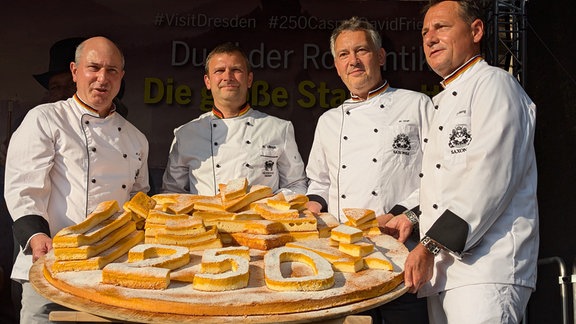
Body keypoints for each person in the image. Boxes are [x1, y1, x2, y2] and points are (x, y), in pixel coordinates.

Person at [384, 1, 539, 323]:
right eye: (425, 32)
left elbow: (489, 178)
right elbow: (440, 185)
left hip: (487, 268)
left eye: (441, 27)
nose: (429, 38)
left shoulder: (495, 85)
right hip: (444, 273)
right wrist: (411, 217)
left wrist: (428, 246)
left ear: (477, 31)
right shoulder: (441, 102)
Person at [4, 36, 150, 323]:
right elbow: (23, 185)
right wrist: (36, 236)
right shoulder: (45, 119)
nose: (102, 78)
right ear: (75, 71)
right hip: (49, 264)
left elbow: (138, 201)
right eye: (93, 68)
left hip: (107, 274)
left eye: (111, 71)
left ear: (121, 77)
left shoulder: (136, 138)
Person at [305, 16, 433, 323]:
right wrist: (311, 206)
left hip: (401, 253)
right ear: (336, 65)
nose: (353, 61)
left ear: (380, 56)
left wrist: (404, 213)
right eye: (344, 55)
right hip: (343, 262)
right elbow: (319, 182)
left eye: (361, 51)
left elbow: (437, 174)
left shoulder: (417, 105)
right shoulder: (329, 121)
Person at [162, 42, 307, 195]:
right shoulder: (186, 134)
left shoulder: (279, 129)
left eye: (236, 70)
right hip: (205, 218)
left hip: (258, 218)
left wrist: (269, 204)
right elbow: (172, 192)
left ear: (249, 79)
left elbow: (296, 184)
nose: (228, 77)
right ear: (208, 82)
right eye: (219, 71)